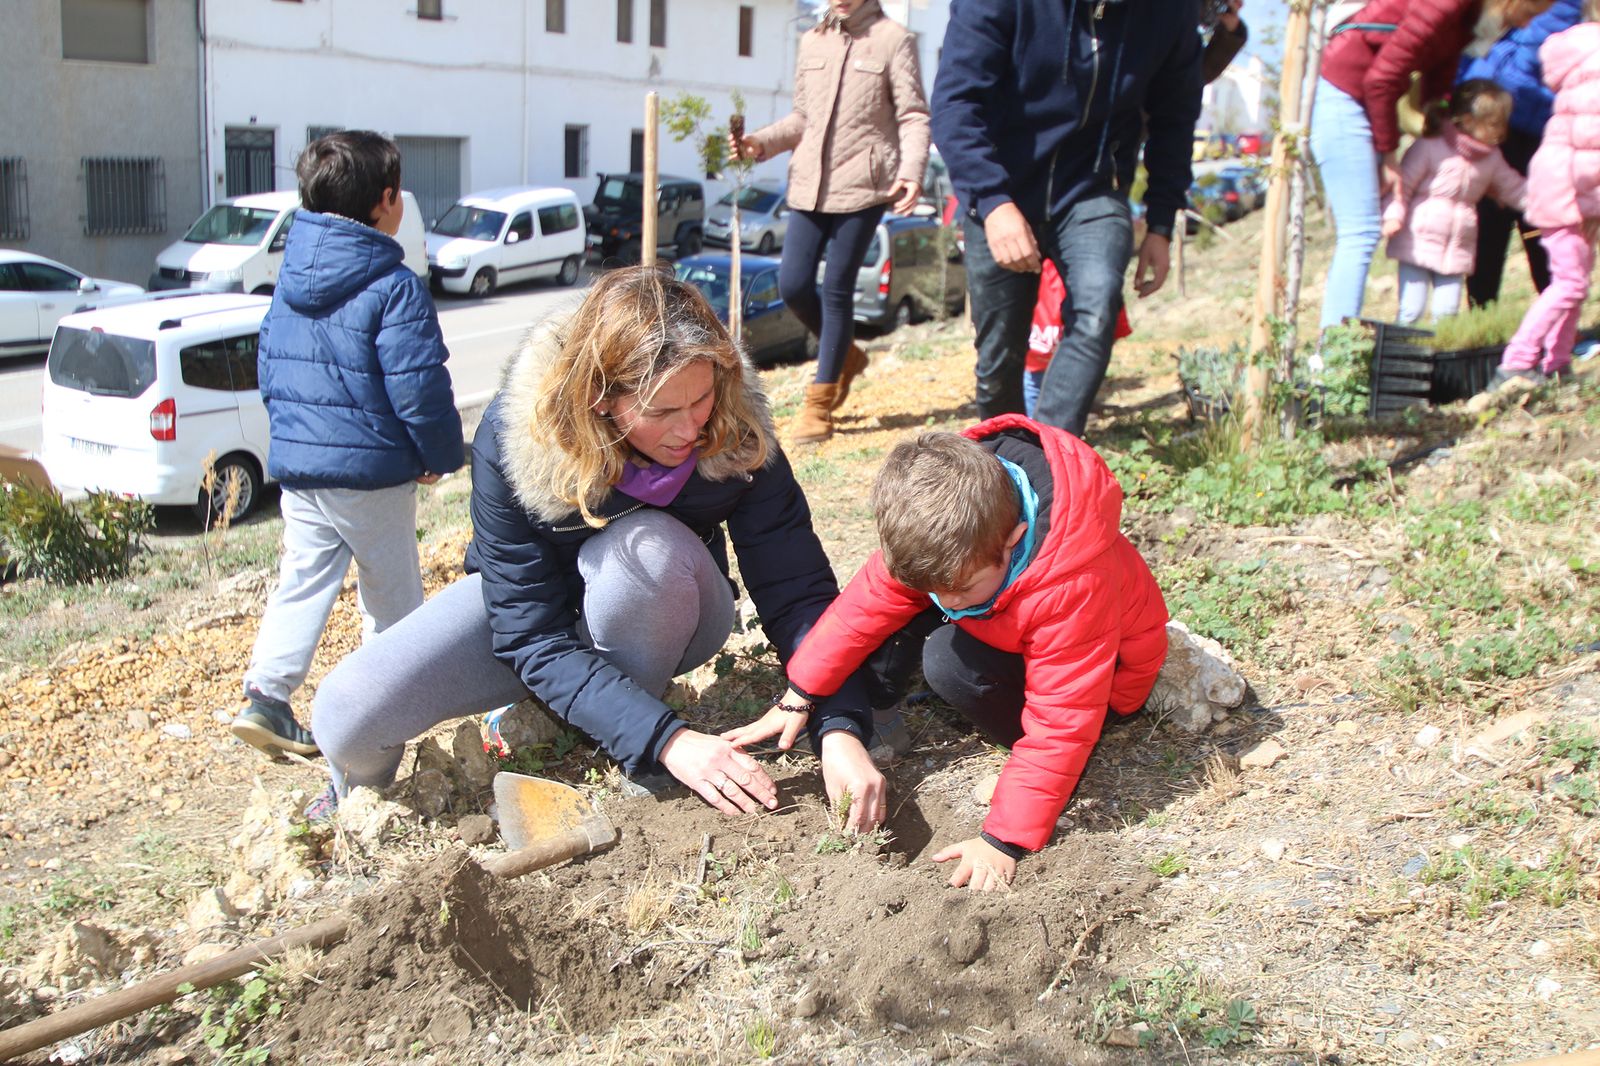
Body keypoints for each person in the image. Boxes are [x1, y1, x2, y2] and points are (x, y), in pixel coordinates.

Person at [305, 268, 887, 827]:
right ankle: (357, 804)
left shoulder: (736, 426)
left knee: (644, 549)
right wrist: (673, 741)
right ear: (601, 400)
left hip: (669, 609)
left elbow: (797, 589)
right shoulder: (516, 437)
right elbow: (528, 632)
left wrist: (837, 725)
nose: (690, 429)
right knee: (346, 712)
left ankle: (630, 722)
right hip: (546, 628)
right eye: (661, 411)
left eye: (700, 399)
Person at [724, 419, 1170, 891]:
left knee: (947, 663)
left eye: (958, 588)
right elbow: (861, 611)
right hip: (1013, 619)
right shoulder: (950, 530)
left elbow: (1063, 720)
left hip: (1104, 684)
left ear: (1014, 538)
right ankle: (879, 710)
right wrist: (801, 691)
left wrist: (1003, 841)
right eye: (938, 588)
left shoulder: (1071, 586)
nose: (947, 600)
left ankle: (1036, 774)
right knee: (910, 605)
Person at [231, 131, 464, 760]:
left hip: (302, 471)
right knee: (393, 603)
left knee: (302, 581)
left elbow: (270, 370)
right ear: (386, 200)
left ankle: (266, 695)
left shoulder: (288, 280)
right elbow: (418, 387)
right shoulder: (394, 284)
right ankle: (374, 730)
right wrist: (441, 457)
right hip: (372, 473)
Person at [931, 0, 1203, 439]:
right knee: (999, 356)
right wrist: (994, 201)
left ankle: (1052, 458)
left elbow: (1176, 117)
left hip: (1093, 190)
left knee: (1096, 309)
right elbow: (954, 104)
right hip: (1004, 187)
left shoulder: (1169, 12)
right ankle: (1005, 462)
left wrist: (1160, 223)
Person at [731, 0, 930, 445]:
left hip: (864, 184)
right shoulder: (812, 40)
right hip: (809, 184)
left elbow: (914, 115)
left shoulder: (893, 40)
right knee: (793, 285)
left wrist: (911, 172)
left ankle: (819, 406)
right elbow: (803, 119)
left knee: (838, 287)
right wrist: (758, 143)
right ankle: (846, 356)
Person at [1311, 0, 1555, 332]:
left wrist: (1444, 124)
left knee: (1361, 233)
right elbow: (1381, 78)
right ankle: (1331, 357)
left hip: (1367, 97)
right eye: (1528, 14)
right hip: (1344, 93)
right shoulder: (1445, 5)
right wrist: (1389, 154)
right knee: (1362, 231)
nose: (1527, 26)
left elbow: (1440, 71)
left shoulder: (1467, 20)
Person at [1486, 6, 1600, 392]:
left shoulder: (1582, 57)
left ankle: (1557, 362)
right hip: (1568, 190)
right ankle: (1516, 361)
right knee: (1568, 282)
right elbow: (1591, 142)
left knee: (1575, 280)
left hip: (1572, 190)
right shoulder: (1594, 61)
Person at [1460, 0, 1583, 306]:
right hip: (1505, 114)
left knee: (1532, 222)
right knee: (1502, 223)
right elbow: (1530, 50)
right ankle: (1486, 319)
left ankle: (1551, 317)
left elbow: (1535, 39)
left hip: (1506, 109)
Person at [1381, 80, 1527, 325]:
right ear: (1468, 121)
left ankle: (1438, 361)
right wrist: (1393, 215)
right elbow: (1403, 186)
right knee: (1411, 309)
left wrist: (1551, 205)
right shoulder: (1430, 146)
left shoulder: (1491, 158)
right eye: (1494, 125)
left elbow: (1514, 188)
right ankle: (1398, 361)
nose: (1501, 132)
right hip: (1417, 242)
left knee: (1447, 314)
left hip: (1458, 246)